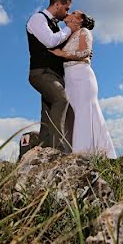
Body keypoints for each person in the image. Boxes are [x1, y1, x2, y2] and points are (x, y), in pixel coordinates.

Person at [51, 11, 116, 158]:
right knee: (75, 113)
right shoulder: (66, 36)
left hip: (82, 75)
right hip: (70, 77)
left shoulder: (84, 32)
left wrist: (62, 54)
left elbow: (85, 52)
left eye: (74, 13)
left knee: (84, 112)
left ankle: (83, 154)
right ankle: (97, 152)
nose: (70, 12)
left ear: (79, 20)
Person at [26, 0, 79, 151]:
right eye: (66, 8)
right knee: (61, 99)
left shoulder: (56, 25)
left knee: (47, 113)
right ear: (57, 4)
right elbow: (49, 41)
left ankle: (43, 149)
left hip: (54, 74)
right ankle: (59, 149)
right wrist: (69, 29)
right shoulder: (38, 19)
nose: (67, 12)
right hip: (41, 72)